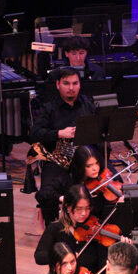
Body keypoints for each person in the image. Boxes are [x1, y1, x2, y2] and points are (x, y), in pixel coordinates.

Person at [30, 67, 96, 225]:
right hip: (58, 163)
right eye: (66, 83)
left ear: (80, 84)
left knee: (116, 186)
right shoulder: (49, 108)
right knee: (46, 195)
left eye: (75, 83)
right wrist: (59, 133)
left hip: (85, 161)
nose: (71, 88)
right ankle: (51, 231)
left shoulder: (87, 104)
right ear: (58, 84)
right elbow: (34, 133)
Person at [34, 185, 108, 273]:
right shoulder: (55, 228)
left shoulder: (97, 227)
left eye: (87, 208)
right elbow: (39, 257)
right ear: (68, 207)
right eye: (79, 209)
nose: (84, 213)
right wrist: (63, 256)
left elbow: (103, 263)